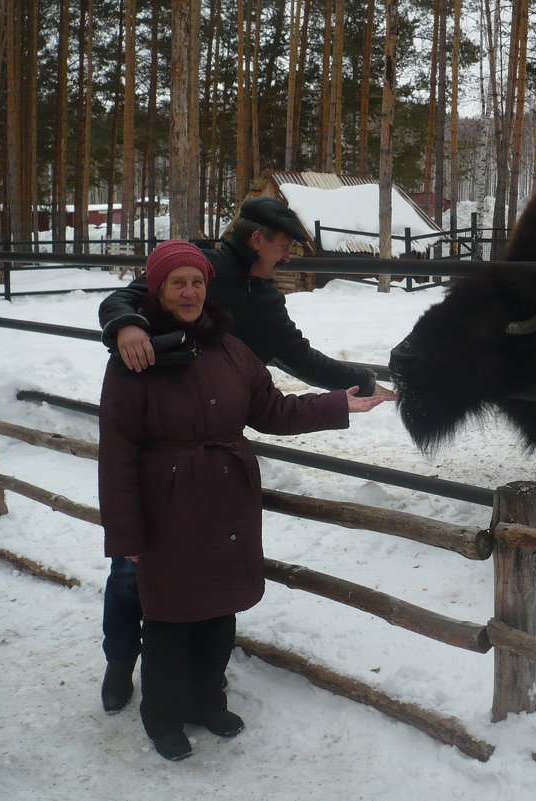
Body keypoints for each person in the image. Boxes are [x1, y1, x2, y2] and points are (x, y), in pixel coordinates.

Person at [97, 196, 397, 715]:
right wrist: (126, 325)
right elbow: (123, 296)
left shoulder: (260, 297)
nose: (287, 258)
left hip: (216, 444)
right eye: (284, 246)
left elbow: (295, 357)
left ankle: (198, 684)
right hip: (162, 440)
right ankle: (121, 660)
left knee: (208, 567)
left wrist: (360, 382)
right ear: (257, 239)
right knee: (134, 573)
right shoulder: (201, 267)